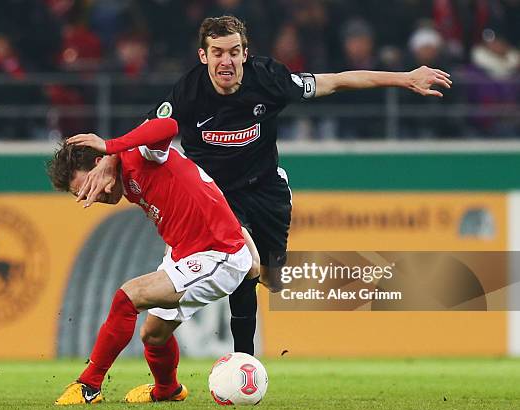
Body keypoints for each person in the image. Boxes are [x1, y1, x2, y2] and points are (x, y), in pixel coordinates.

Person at [75, 15, 453, 356]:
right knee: (246, 265)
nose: (227, 61)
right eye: (218, 52)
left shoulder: (269, 78)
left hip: (266, 190)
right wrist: (109, 160)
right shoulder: (187, 92)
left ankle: (253, 308)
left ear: (245, 53)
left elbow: (335, 82)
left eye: (234, 52)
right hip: (214, 196)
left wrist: (405, 78)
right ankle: (244, 363)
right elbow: (142, 134)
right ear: (203, 56)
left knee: (273, 280)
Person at [49, 117, 259, 404]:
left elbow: (169, 125)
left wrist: (112, 147)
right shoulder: (123, 173)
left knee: (128, 296)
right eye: (83, 194)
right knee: (154, 334)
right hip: (183, 252)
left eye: (90, 185)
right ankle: (168, 391)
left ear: (99, 164)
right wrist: (112, 157)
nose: (94, 195)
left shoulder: (143, 154)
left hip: (218, 253)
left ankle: (88, 385)